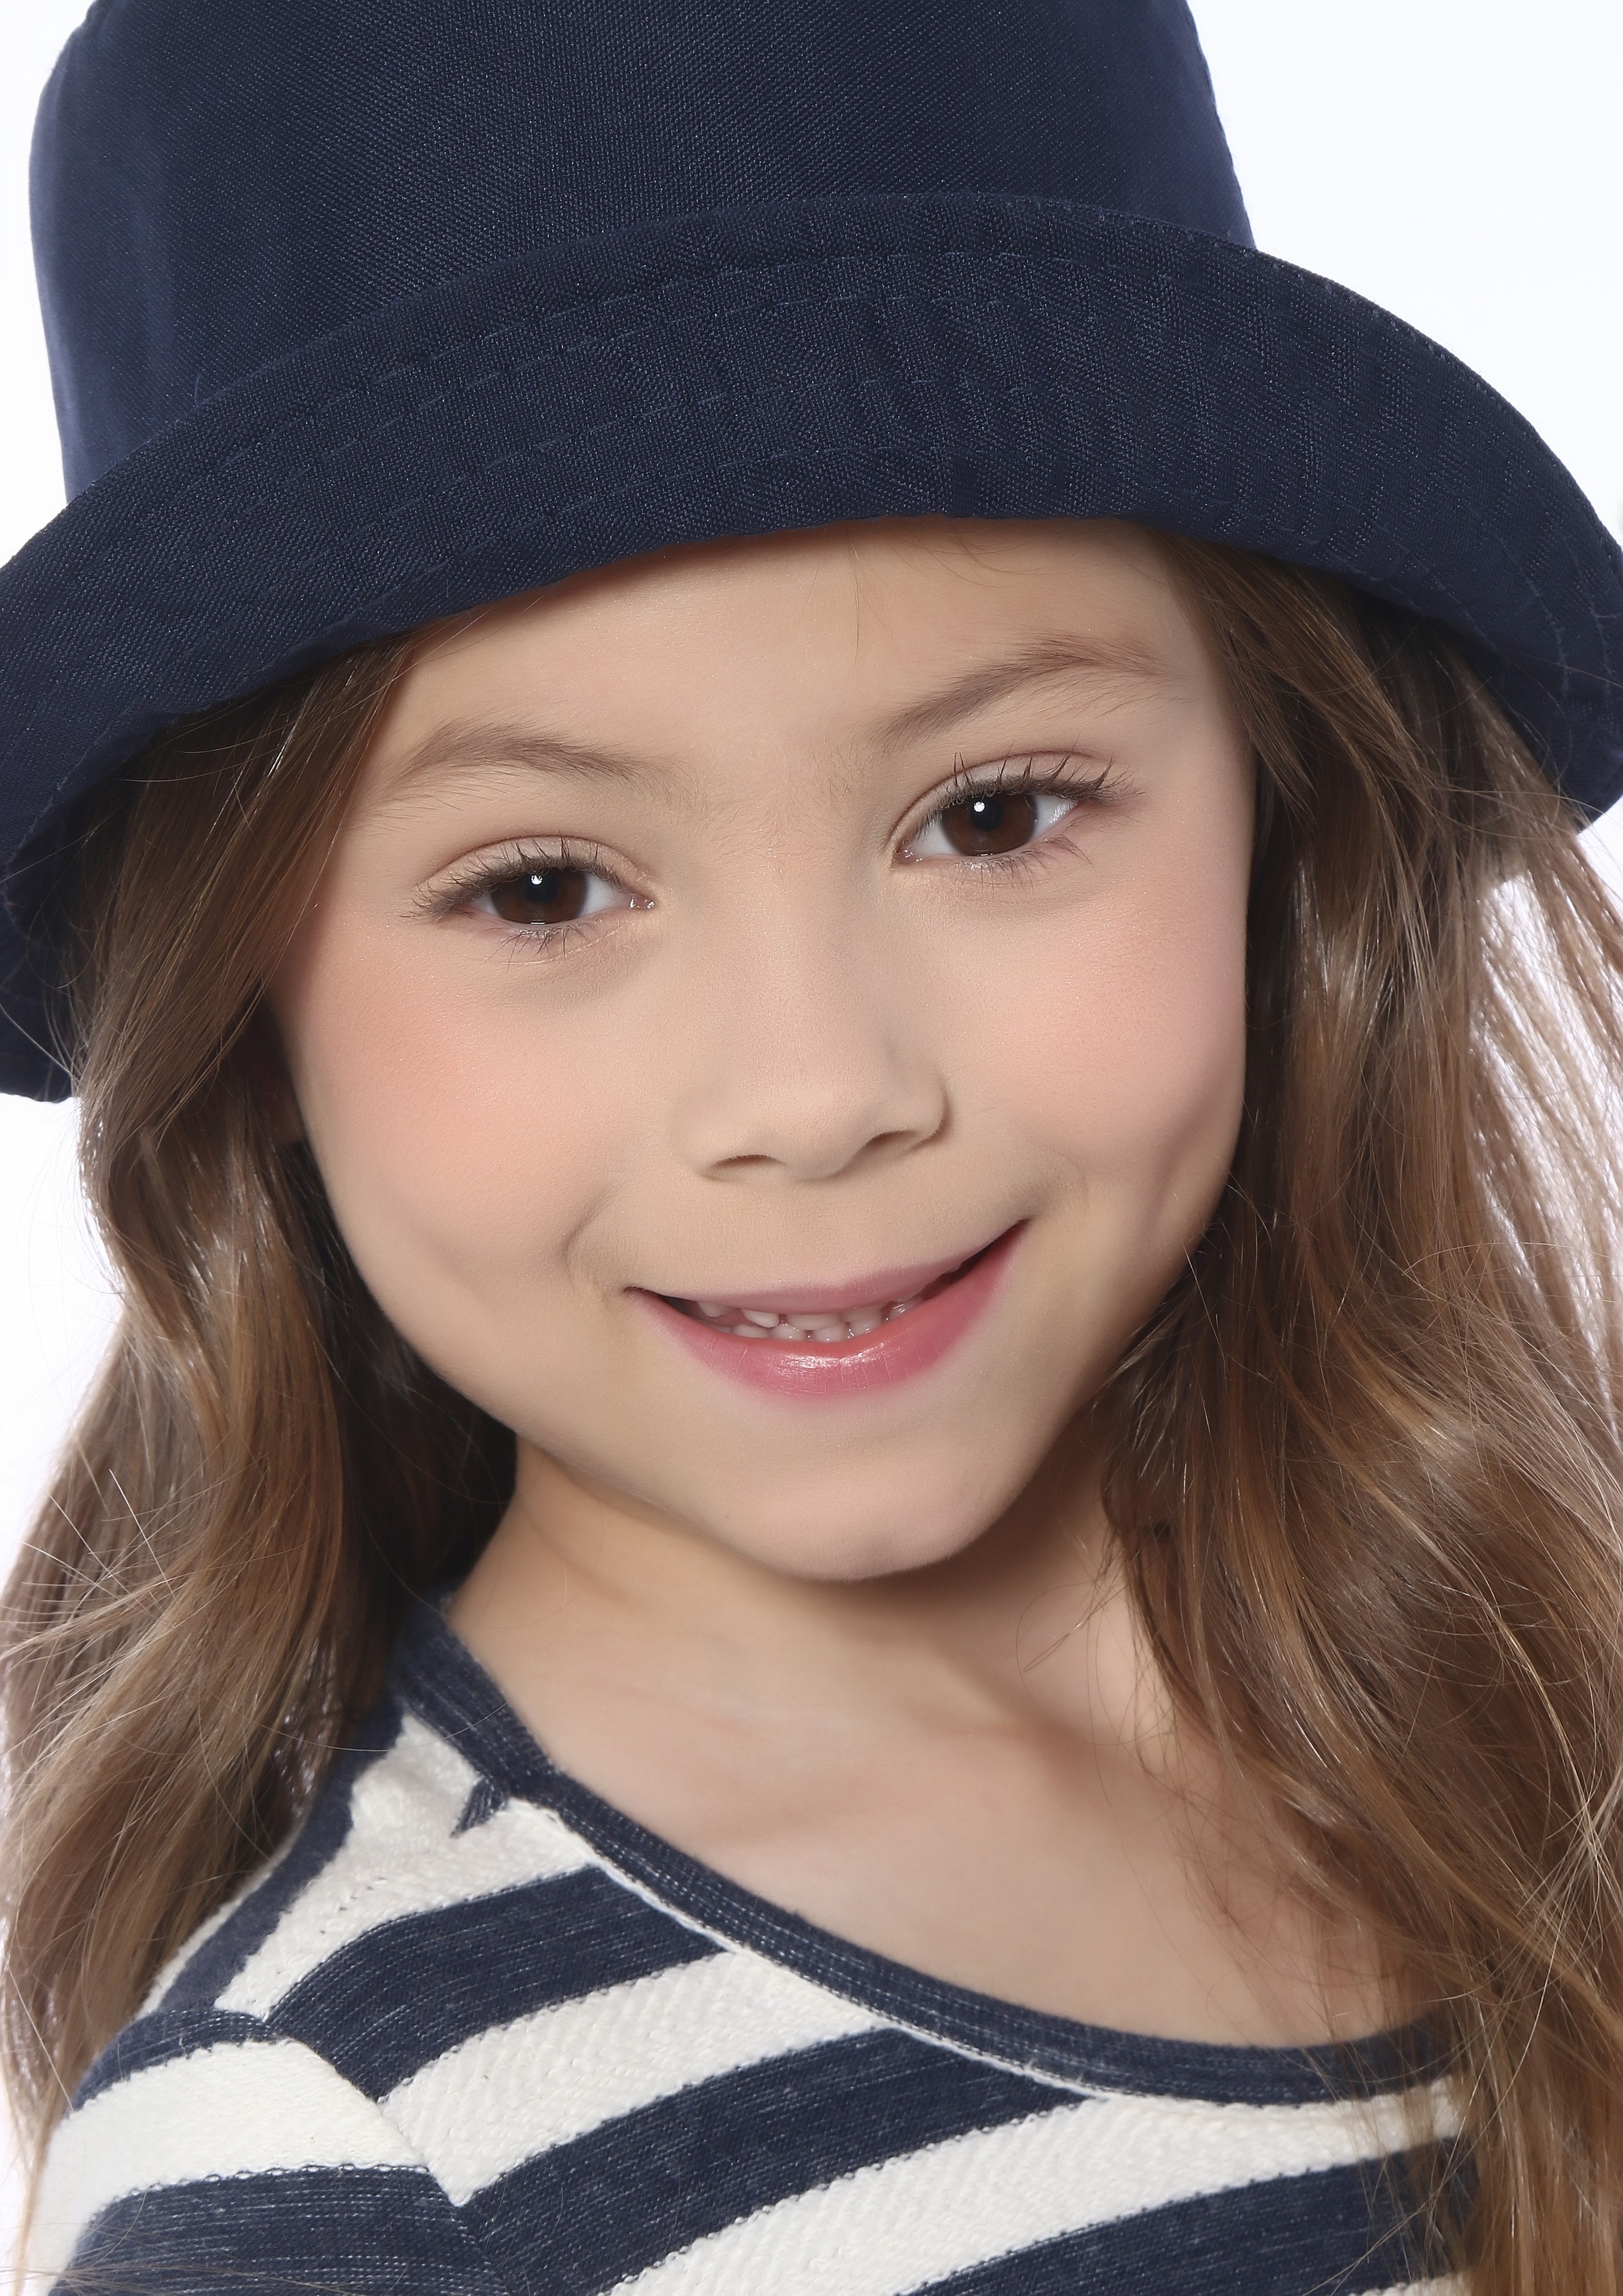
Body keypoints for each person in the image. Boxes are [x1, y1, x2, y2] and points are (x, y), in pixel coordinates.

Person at [2, 1, 1622, 2289]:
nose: (818, 1088)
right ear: (239, 1009)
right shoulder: (342, 2169)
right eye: (540, 887)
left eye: (994, 815)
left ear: (1286, 812)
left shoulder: (1561, 1721)